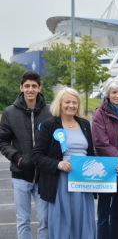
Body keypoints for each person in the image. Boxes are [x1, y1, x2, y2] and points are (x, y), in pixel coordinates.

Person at [32, 87, 96, 239]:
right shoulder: (50, 124)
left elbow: (91, 154)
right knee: (63, 221)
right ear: (59, 104)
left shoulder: (85, 125)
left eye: (75, 102)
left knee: (83, 220)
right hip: (61, 183)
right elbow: (36, 155)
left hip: (83, 182)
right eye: (67, 102)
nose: (71, 105)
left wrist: (108, 169)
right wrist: (57, 164)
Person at [0, 71, 50, 239]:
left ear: (39, 88)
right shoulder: (9, 112)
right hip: (20, 175)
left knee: (45, 220)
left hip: (44, 176)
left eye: (34, 86)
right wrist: (18, 157)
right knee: (23, 220)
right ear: (21, 87)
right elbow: (3, 141)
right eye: (27, 86)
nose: (30, 89)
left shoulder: (50, 111)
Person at [92, 78, 118, 239]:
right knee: (103, 215)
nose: (117, 95)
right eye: (114, 92)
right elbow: (101, 143)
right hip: (108, 170)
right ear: (107, 93)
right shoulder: (99, 114)